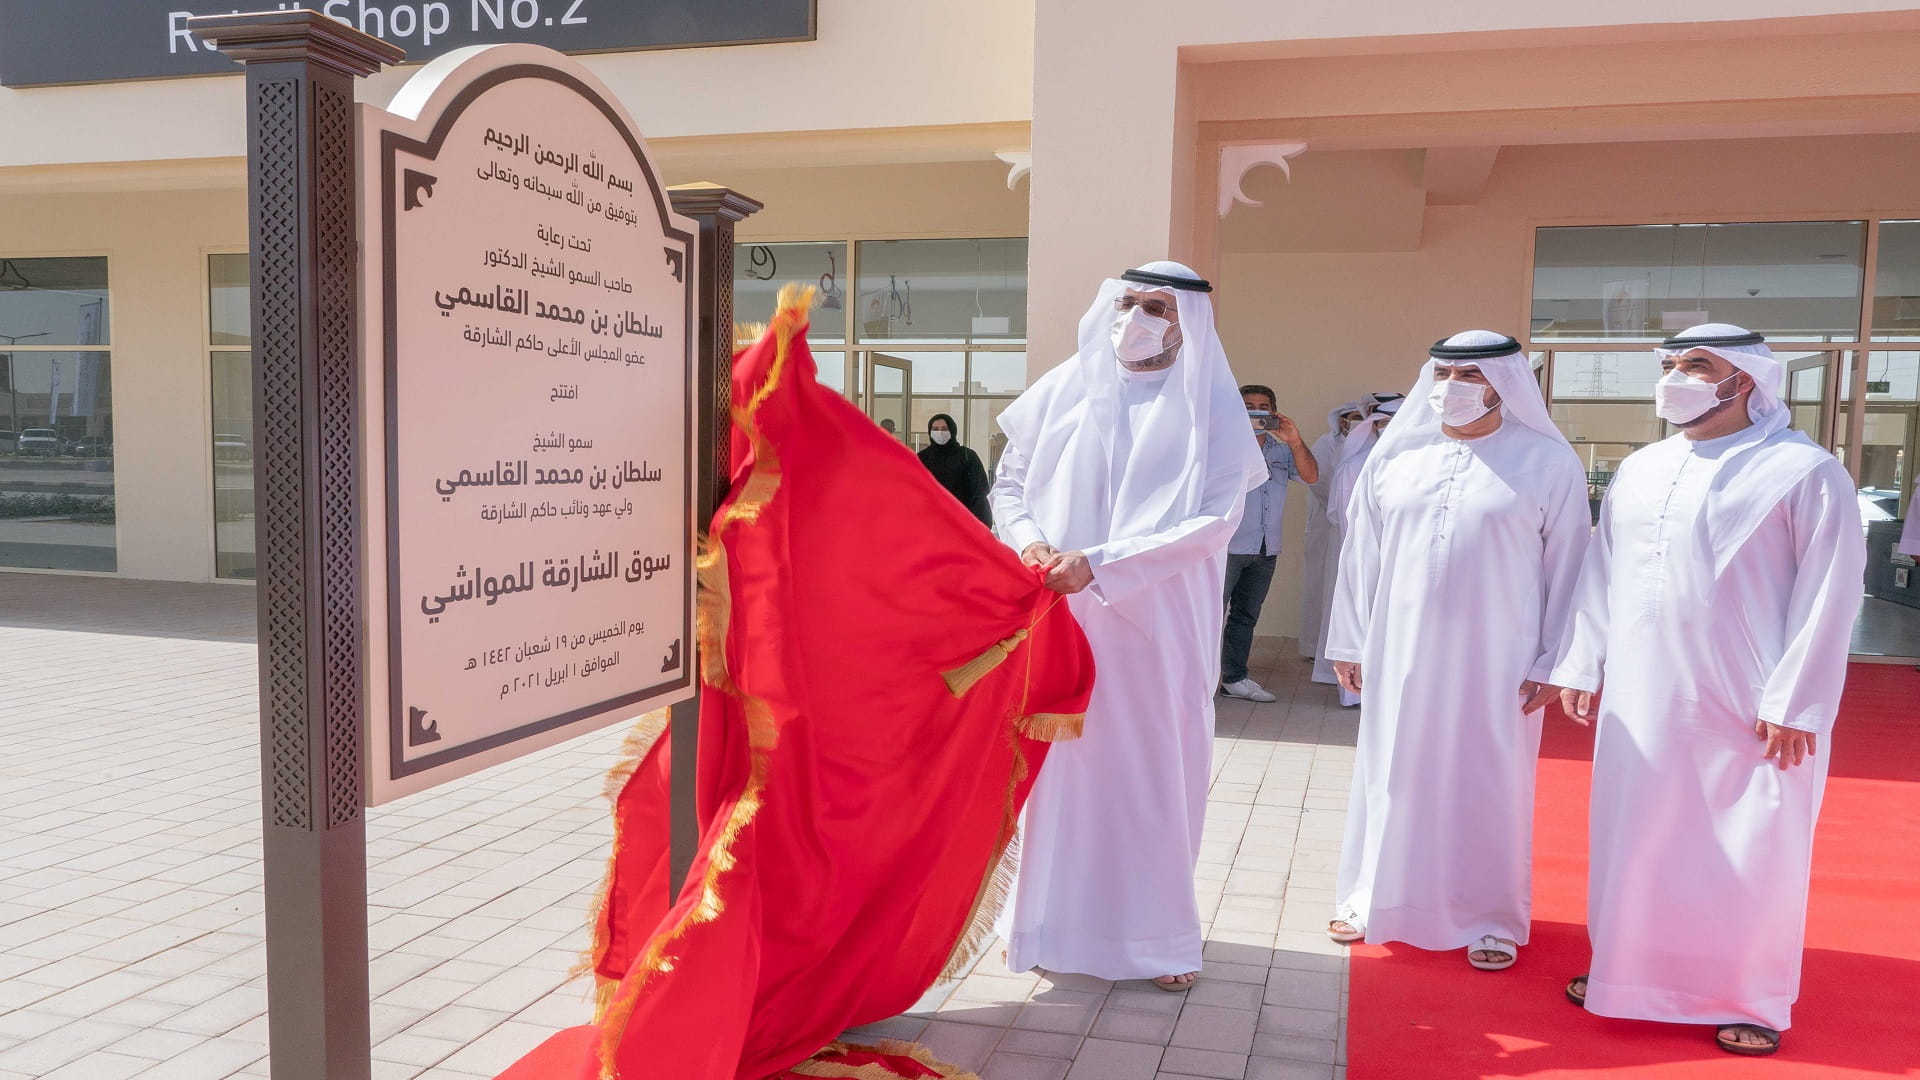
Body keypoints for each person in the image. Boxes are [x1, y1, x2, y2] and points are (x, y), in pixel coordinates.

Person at [1551, 324, 1865, 1056]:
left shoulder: (1803, 470)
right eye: (1670, 364)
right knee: (1638, 838)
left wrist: (1795, 701)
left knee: (1748, 846)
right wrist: (1580, 660)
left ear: (1746, 380)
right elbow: (1603, 571)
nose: (1677, 376)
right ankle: (1624, 972)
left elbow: (1831, 593)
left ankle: (1746, 995)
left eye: (1697, 364)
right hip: (1642, 695)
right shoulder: (1643, 467)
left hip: (1747, 703)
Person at [991, 261, 1265, 991]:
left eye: (1157, 307)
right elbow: (1009, 483)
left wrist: (1104, 563)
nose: (1137, 318)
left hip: (1158, 628)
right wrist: (1030, 543)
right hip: (1061, 615)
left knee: (1150, 776)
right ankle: (1051, 926)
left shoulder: (1211, 408)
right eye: (1128, 302)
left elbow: (1214, 521)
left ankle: (1160, 940)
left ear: (1189, 323)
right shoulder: (1065, 387)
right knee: (1063, 777)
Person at [1321, 332, 1589, 972]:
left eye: (1471, 373)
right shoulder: (1396, 458)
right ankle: (1370, 897)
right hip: (1399, 648)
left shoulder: (1547, 462)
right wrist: (1349, 639)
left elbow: (1573, 568)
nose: (1454, 384)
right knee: (1391, 770)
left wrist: (1558, 661)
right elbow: (1361, 558)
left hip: (1501, 658)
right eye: (1443, 371)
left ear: (1506, 384)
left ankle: (1490, 916)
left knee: (1487, 782)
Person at [1220, 384, 1319, 702]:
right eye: (1249, 405)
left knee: (1245, 616)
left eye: (1264, 406)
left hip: (1265, 548)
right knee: (1210, 615)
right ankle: (1198, 680)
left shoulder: (1281, 451)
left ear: (1273, 412)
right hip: (1228, 547)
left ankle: (1234, 679)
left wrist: (1295, 440)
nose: (1256, 411)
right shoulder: (1223, 445)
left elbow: (1310, 477)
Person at [1310, 394, 1402, 706]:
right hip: (1362, 559)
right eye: (1382, 425)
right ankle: (1353, 694)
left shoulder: (1417, 465)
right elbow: (1340, 514)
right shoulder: (1354, 466)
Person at [1298, 400, 1368, 661]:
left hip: (1360, 529)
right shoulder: (1327, 444)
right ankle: (1314, 646)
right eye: (1352, 418)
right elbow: (1319, 482)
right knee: (1322, 586)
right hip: (1328, 528)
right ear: (1340, 421)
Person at [918, 413, 992, 526]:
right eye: (935, 429)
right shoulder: (922, 458)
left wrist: (981, 526)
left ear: (952, 430)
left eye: (944, 429)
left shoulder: (967, 456)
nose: (940, 433)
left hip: (961, 525)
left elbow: (979, 493)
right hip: (929, 526)